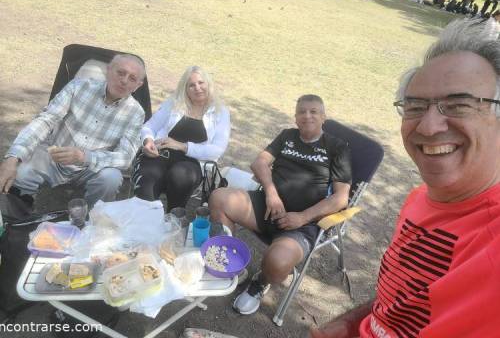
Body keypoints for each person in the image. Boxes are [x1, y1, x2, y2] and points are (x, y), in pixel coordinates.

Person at [309, 19, 500, 338]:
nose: (428, 126)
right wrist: (353, 322)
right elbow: (405, 299)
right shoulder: (420, 198)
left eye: (459, 105)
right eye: (415, 106)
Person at [210, 95, 352, 315]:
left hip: (303, 224)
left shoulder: (337, 148)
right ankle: (230, 264)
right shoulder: (287, 136)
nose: (307, 116)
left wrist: (303, 217)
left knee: (278, 262)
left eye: (314, 111)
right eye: (301, 111)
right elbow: (259, 162)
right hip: (266, 206)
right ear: (295, 117)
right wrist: (271, 193)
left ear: (324, 117)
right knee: (219, 198)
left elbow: (341, 198)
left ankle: (260, 282)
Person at [0, 54, 146, 206]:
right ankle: (19, 215)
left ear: (138, 85)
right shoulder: (79, 86)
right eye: (120, 73)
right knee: (21, 172)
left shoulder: (136, 113)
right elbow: (46, 120)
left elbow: (125, 157)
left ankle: (93, 221)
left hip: (92, 167)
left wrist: (84, 157)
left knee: (111, 178)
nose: (124, 81)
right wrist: (13, 158)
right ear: (108, 70)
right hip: (54, 154)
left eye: (132, 78)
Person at [133, 66, 230, 209]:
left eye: (201, 83)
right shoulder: (174, 103)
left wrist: (181, 146)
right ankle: (144, 220)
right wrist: (148, 141)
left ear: (209, 84)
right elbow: (149, 127)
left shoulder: (220, 112)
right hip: (159, 154)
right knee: (148, 181)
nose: (197, 88)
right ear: (185, 89)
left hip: (192, 163)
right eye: (191, 85)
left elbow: (217, 149)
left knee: (180, 175)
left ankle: (174, 218)